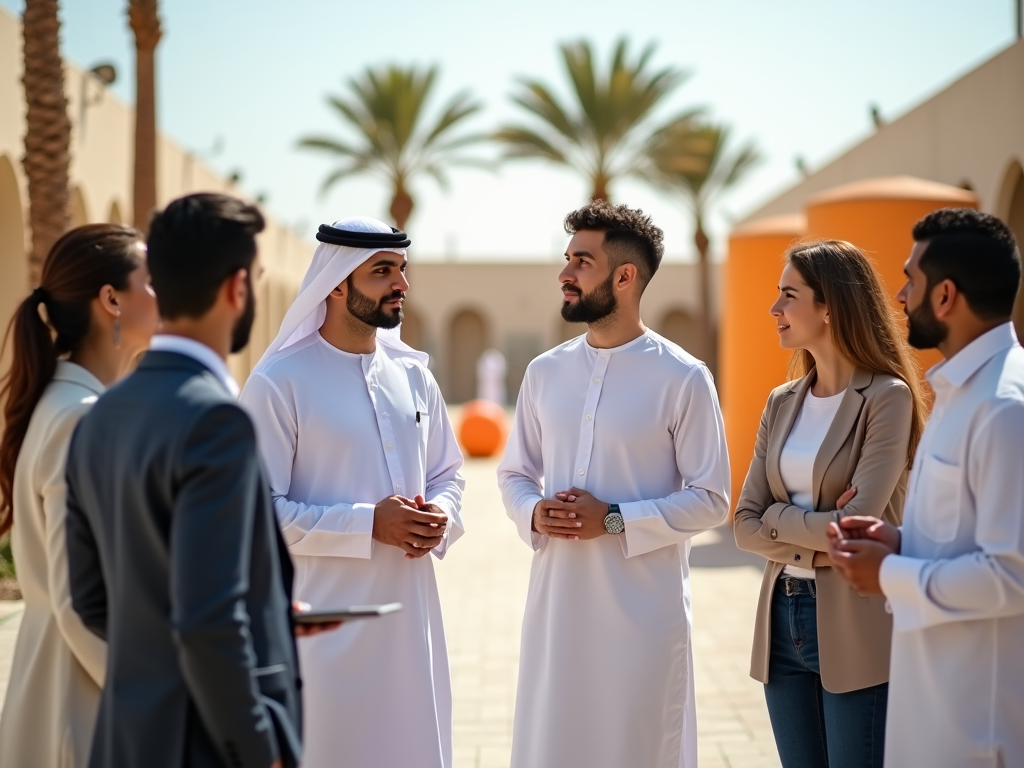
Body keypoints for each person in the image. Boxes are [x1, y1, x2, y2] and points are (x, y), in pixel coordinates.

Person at [65, 194, 330, 768]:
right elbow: (207, 618)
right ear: (238, 288)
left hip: (126, 739)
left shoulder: (99, 414)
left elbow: (91, 600)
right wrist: (257, 748)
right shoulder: (217, 422)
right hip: (208, 746)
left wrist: (266, 616)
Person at [496, 200, 730, 768]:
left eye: (582, 261)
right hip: (556, 612)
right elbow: (514, 473)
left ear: (625, 278)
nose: (565, 274)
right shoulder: (545, 372)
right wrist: (532, 510)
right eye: (567, 259)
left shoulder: (683, 377)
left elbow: (713, 499)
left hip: (643, 623)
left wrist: (617, 517)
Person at [239, 216, 465, 768]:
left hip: (411, 628)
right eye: (383, 271)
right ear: (336, 283)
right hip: (323, 631)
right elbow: (255, 518)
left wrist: (440, 513)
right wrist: (369, 523)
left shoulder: (415, 376)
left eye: (402, 270)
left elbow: (450, 473)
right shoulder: (279, 383)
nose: (401, 285)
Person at [827, 208, 1024, 767]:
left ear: (945, 297)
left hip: (979, 732)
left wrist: (888, 573)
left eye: (911, 279)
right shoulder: (962, 392)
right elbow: (967, 541)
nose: (899, 292)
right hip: (933, 712)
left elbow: (1012, 574)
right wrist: (900, 543)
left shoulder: (1006, 407)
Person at [732, 240, 925, 768]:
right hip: (780, 620)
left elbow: (854, 529)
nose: (775, 310)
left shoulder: (887, 398)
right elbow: (743, 523)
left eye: (788, 296)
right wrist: (815, 524)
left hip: (856, 621)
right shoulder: (781, 401)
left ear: (829, 306)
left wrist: (779, 517)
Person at [0, 225, 158, 768]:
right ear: (111, 299)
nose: (166, 296)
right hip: (83, 711)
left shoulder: (66, 405)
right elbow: (82, 606)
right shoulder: (79, 418)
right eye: (151, 282)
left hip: (60, 692)